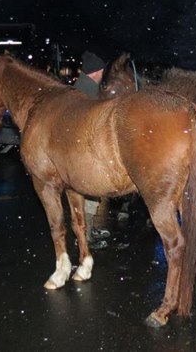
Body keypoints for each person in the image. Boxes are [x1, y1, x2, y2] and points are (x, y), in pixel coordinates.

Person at [73, 51, 111, 247]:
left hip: (83, 152)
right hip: (84, 154)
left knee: (90, 194)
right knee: (87, 193)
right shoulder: (87, 93)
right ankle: (86, 237)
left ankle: (89, 229)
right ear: (97, 72)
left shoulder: (83, 89)